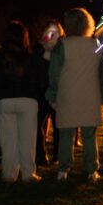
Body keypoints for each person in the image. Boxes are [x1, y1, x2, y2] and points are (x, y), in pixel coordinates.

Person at [45, 7, 103, 182]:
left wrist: (52, 94)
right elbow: (102, 74)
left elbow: (54, 74)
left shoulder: (62, 46)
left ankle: (63, 169)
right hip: (90, 95)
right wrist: (102, 95)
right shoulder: (96, 45)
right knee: (89, 136)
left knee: (66, 134)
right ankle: (91, 170)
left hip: (67, 95)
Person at [0, 21, 44, 183]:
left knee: (7, 139)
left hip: (5, 100)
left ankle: (9, 173)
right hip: (27, 100)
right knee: (28, 139)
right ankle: (28, 173)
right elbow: (41, 79)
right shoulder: (31, 58)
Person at [34, 19, 64, 165]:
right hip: (42, 92)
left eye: (55, 32)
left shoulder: (63, 49)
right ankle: (40, 155)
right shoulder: (39, 49)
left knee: (59, 125)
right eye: (49, 31)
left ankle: (57, 156)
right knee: (38, 124)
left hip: (59, 92)